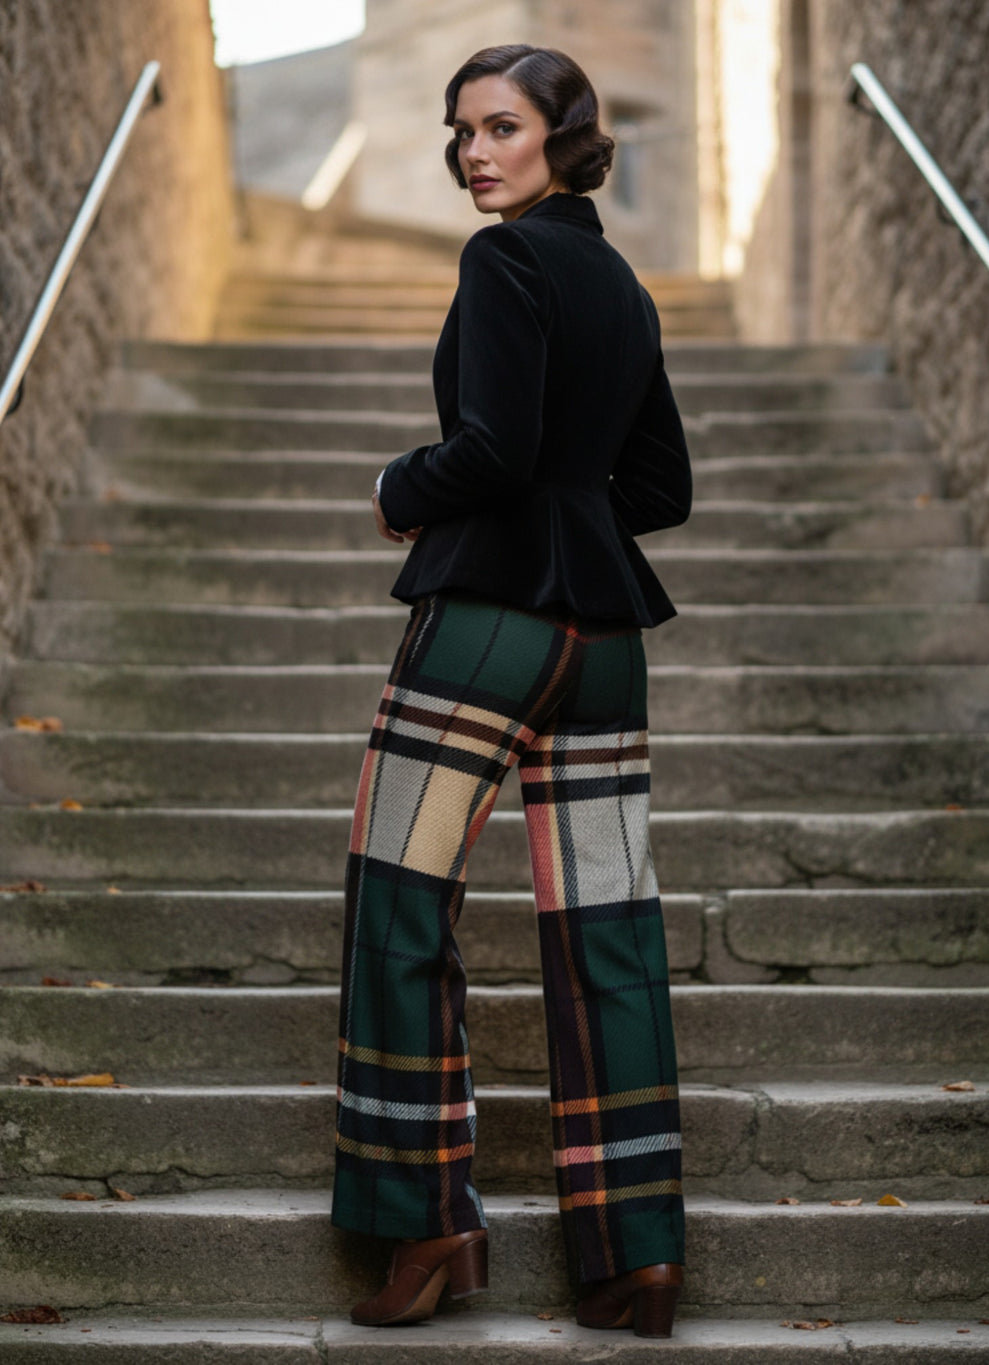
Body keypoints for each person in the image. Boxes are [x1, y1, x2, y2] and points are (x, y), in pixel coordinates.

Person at [332, 42, 692, 1339]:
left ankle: (428, 1222)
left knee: (398, 899)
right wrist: (571, 502)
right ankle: (635, 1255)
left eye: (501, 127)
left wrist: (395, 492)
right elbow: (663, 492)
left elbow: (489, 448)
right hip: (604, 639)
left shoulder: (503, 260)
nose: (476, 152)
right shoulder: (623, 284)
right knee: (609, 929)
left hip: (488, 622)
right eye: (461, 130)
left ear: (561, 136)